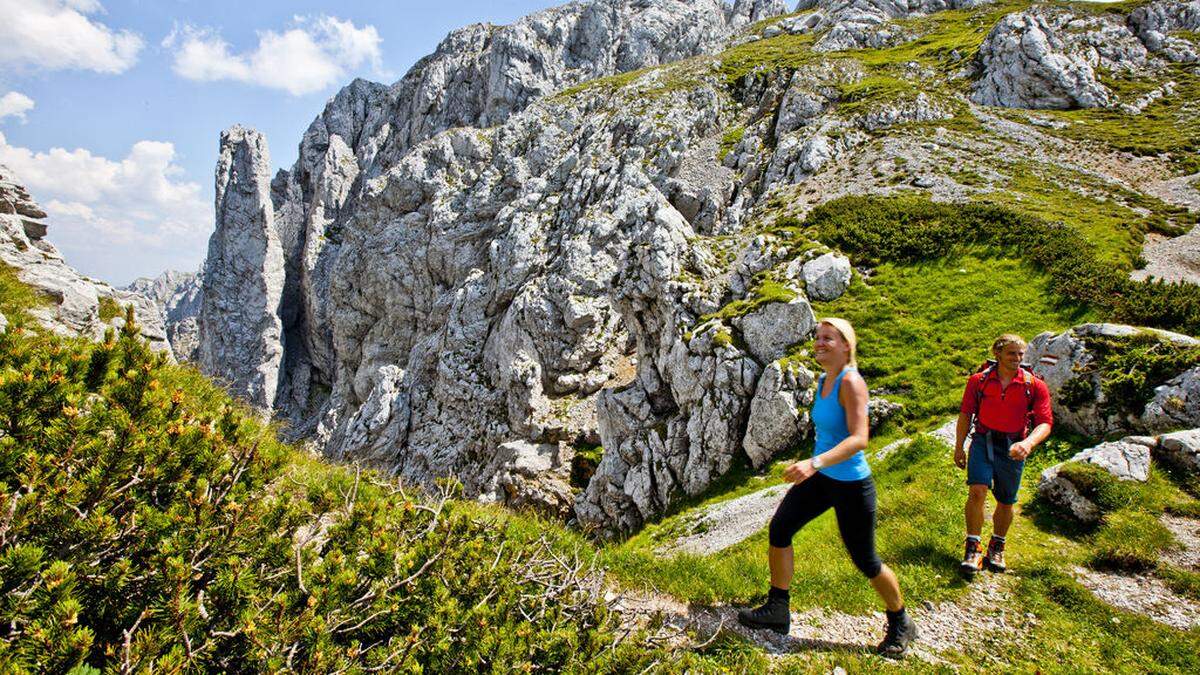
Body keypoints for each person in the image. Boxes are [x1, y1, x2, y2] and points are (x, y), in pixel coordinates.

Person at [737, 318, 917, 657]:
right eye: (818, 337)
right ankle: (778, 607)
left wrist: (813, 463)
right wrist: (814, 463)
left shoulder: (851, 383)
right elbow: (828, 433)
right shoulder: (824, 380)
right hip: (822, 479)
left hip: (851, 484)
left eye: (828, 338)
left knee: (865, 559)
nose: (819, 343)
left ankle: (901, 621)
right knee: (780, 529)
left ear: (846, 345)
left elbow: (859, 438)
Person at [954, 334, 1053, 577]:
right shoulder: (978, 381)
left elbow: (1045, 423)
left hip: (1014, 445)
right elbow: (966, 414)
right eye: (1012, 353)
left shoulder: (1034, 385)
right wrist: (958, 447)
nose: (1017, 359)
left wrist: (1028, 443)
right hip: (983, 441)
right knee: (977, 490)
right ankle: (973, 547)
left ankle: (997, 545)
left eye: (1021, 354)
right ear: (997, 354)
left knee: (1006, 500)